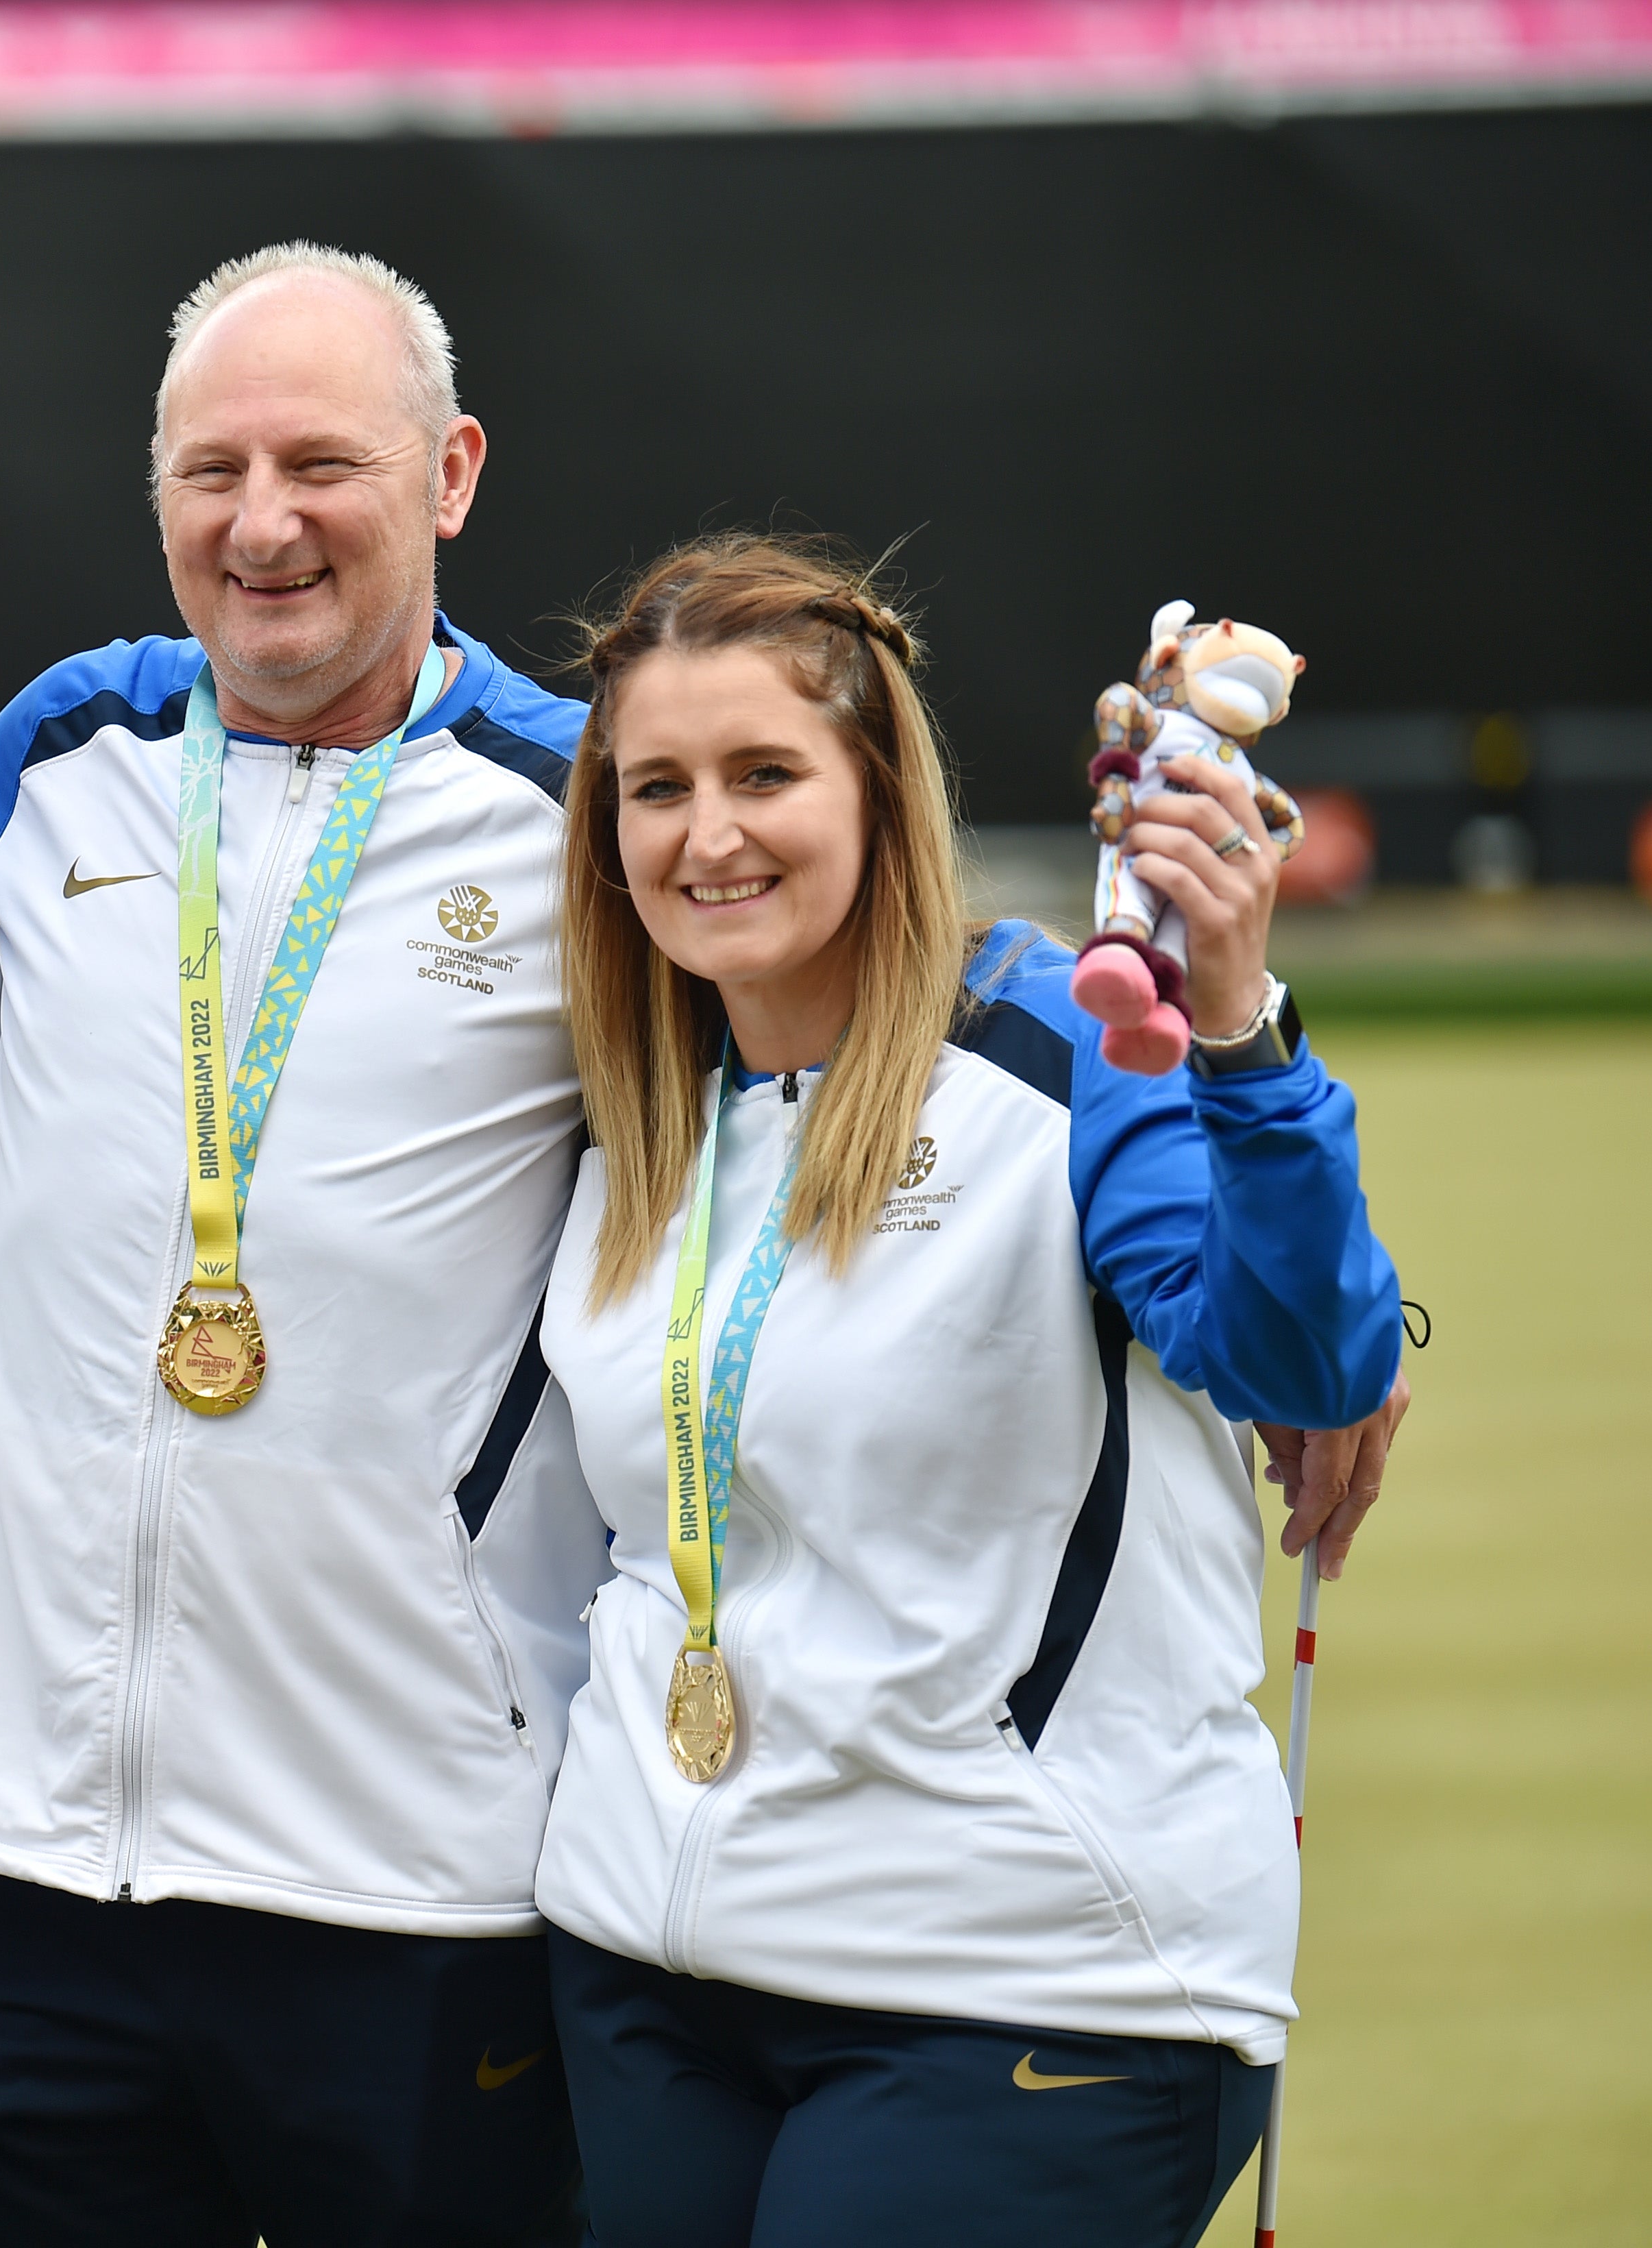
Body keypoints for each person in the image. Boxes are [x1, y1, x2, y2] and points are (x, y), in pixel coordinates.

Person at [528, 533, 1401, 2247]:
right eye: (657, 785)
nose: (706, 834)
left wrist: (1237, 1033)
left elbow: (1295, 1351)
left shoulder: (1055, 1054)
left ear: (876, 789)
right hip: (646, 1965)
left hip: (1022, 1981)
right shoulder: (623, 1098)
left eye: (764, 772)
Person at [0, 243, 595, 2246]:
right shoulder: (57, 757)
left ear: (449, 474)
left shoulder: (582, 816)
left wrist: (1236, 1110)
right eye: (210, 472)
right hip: (28, 1866)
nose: (260, 525)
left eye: (321, 466)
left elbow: (895, 997)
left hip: (410, 1868)